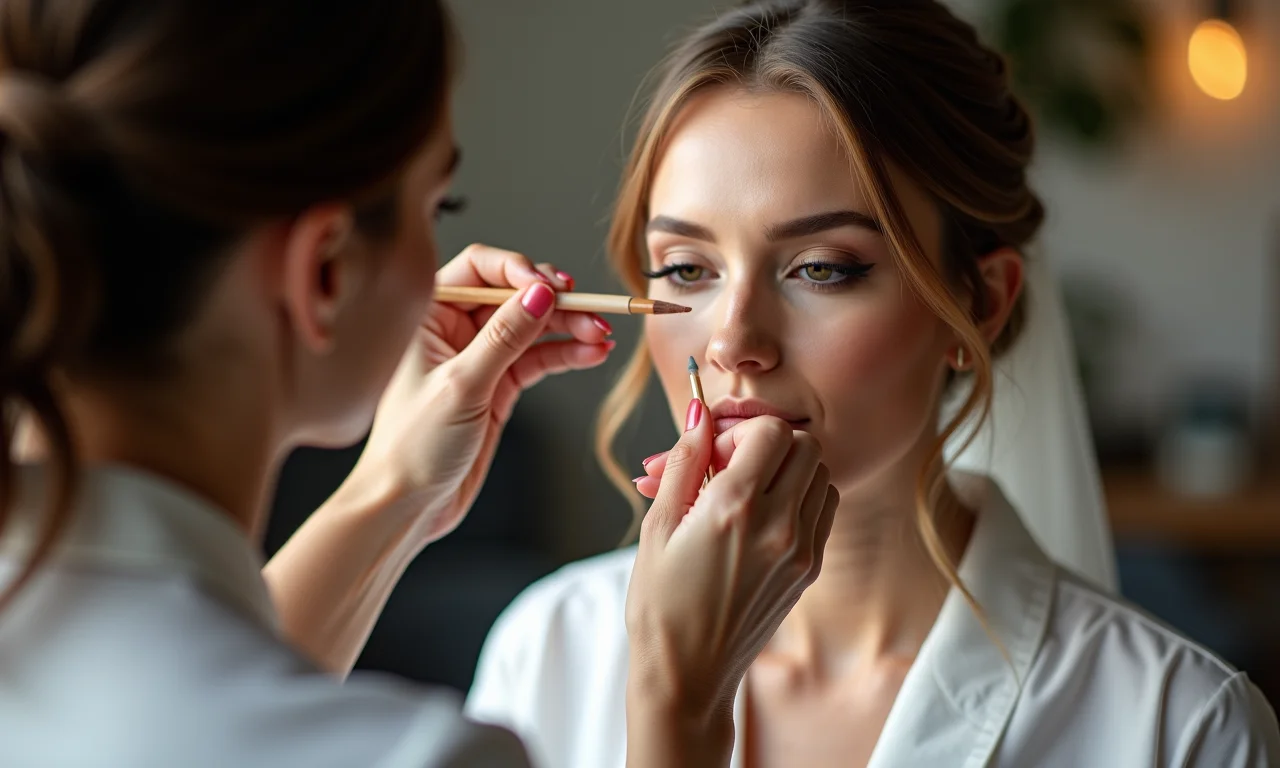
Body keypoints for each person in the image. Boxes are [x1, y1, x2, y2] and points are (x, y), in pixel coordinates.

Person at [0, 1, 838, 766]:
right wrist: (678, 700)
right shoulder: (451, 729)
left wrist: (397, 492)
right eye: (435, 207)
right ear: (325, 270)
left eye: (824, 268)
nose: (731, 338)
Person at [464, 1, 1280, 766]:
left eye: (822, 269)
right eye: (686, 268)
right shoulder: (548, 650)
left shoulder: (1177, 726)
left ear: (980, 303)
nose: (733, 341)